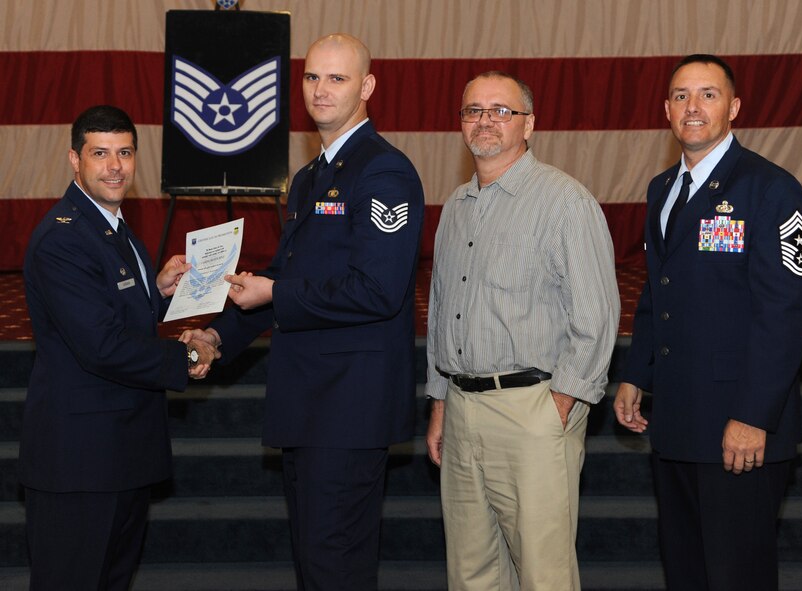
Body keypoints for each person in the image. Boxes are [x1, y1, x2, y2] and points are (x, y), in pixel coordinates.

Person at [181, 34, 424, 590]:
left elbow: (378, 289)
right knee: (317, 563)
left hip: (348, 406)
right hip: (312, 405)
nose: (321, 90)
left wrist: (274, 295)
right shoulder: (312, 177)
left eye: (337, 78)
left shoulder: (383, 172)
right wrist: (220, 336)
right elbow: (282, 278)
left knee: (333, 564)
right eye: (312, 77)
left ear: (366, 87)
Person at [614, 54, 802, 591]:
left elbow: (785, 315)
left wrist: (754, 416)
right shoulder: (662, 190)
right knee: (687, 572)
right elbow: (660, 295)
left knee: (736, 576)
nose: (693, 107)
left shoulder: (770, 190)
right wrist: (639, 373)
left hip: (739, 429)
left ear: (734, 107)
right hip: (677, 421)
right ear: (667, 110)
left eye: (708, 94)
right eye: (681, 96)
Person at [425, 71, 620, 590]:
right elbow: (443, 312)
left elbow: (596, 315)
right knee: (472, 573)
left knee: (543, 574)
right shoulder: (455, 209)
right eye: (473, 110)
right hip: (463, 411)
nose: (485, 120)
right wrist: (441, 402)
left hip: (532, 410)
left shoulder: (563, 201)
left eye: (500, 110)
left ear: (529, 124)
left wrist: (559, 406)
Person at [20, 105, 218, 590]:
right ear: (75, 160)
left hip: (120, 453)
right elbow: (101, 346)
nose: (115, 166)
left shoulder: (111, 225)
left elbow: (107, 306)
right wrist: (187, 356)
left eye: (124, 153)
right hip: (81, 464)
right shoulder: (63, 238)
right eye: (100, 153)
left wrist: (157, 289)